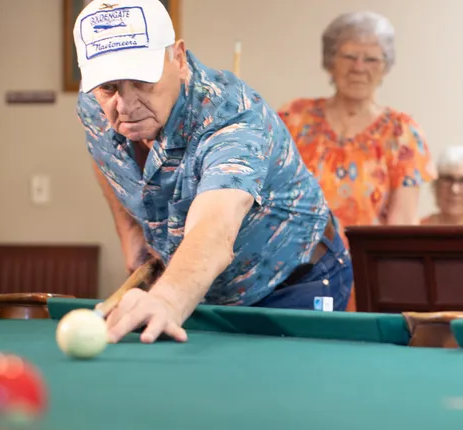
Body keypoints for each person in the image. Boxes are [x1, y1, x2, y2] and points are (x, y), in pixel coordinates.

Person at [73, 0, 353, 344]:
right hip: (201, 289)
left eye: (141, 81)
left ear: (177, 58)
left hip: (293, 284)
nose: (125, 105)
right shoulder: (94, 103)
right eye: (110, 88)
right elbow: (106, 157)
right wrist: (129, 232)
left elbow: (215, 226)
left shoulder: (230, 116)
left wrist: (166, 298)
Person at [278, 11, 435, 233]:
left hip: (365, 264)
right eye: (349, 57)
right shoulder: (294, 117)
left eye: (371, 59)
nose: (359, 67)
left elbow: (403, 223)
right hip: (293, 262)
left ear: (385, 68)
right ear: (330, 62)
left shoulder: (402, 133)